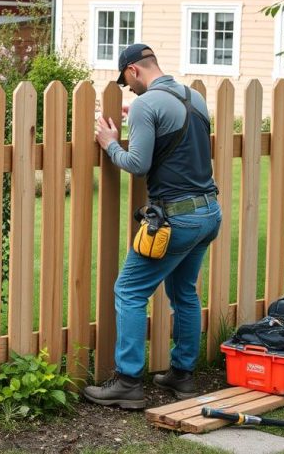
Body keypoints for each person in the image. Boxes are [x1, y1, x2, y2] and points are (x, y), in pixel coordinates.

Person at [83, 43, 222, 409]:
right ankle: (183, 375)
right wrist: (140, 117)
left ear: (133, 71)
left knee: (128, 291)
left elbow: (138, 163)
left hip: (177, 218)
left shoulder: (147, 104)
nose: (130, 91)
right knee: (184, 293)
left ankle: (127, 382)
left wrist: (110, 144)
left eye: (127, 84)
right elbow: (178, 141)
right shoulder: (193, 97)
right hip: (208, 212)